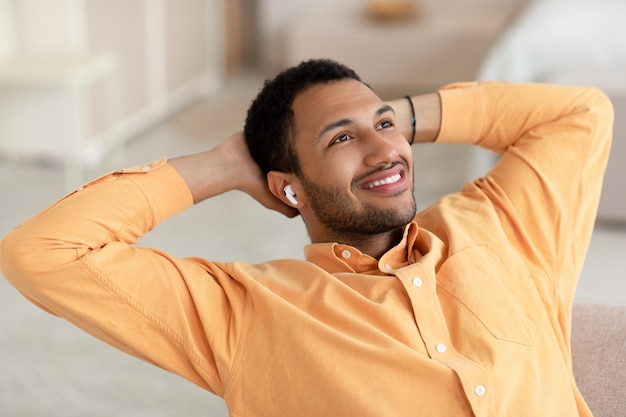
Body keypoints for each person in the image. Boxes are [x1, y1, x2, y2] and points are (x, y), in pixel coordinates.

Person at [0, 58, 613, 416]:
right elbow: (43, 252)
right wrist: (222, 165)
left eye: (385, 126)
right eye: (341, 139)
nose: (384, 151)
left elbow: (581, 114)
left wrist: (400, 115)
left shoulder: (501, 223)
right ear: (287, 187)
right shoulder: (246, 313)